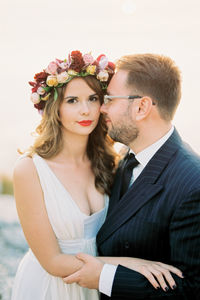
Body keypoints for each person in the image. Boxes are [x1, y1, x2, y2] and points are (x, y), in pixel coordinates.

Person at [12, 51, 183, 300]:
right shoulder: (30, 169)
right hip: (52, 286)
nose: (86, 110)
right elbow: (52, 262)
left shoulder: (112, 161)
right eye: (72, 101)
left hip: (100, 286)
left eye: (93, 98)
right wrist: (129, 263)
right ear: (54, 108)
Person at [63, 54, 200, 299]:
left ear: (141, 107)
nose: (101, 108)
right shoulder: (126, 156)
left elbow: (192, 289)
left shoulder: (192, 184)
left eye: (110, 100)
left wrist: (104, 277)